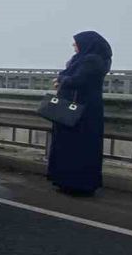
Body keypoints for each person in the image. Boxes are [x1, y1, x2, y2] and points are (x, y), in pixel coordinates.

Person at [47, 31, 113, 196]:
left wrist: (61, 80)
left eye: (76, 43)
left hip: (82, 111)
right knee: (72, 147)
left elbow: (78, 81)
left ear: (86, 43)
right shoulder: (86, 59)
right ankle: (66, 182)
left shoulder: (92, 60)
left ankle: (77, 185)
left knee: (77, 148)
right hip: (79, 109)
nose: (74, 45)